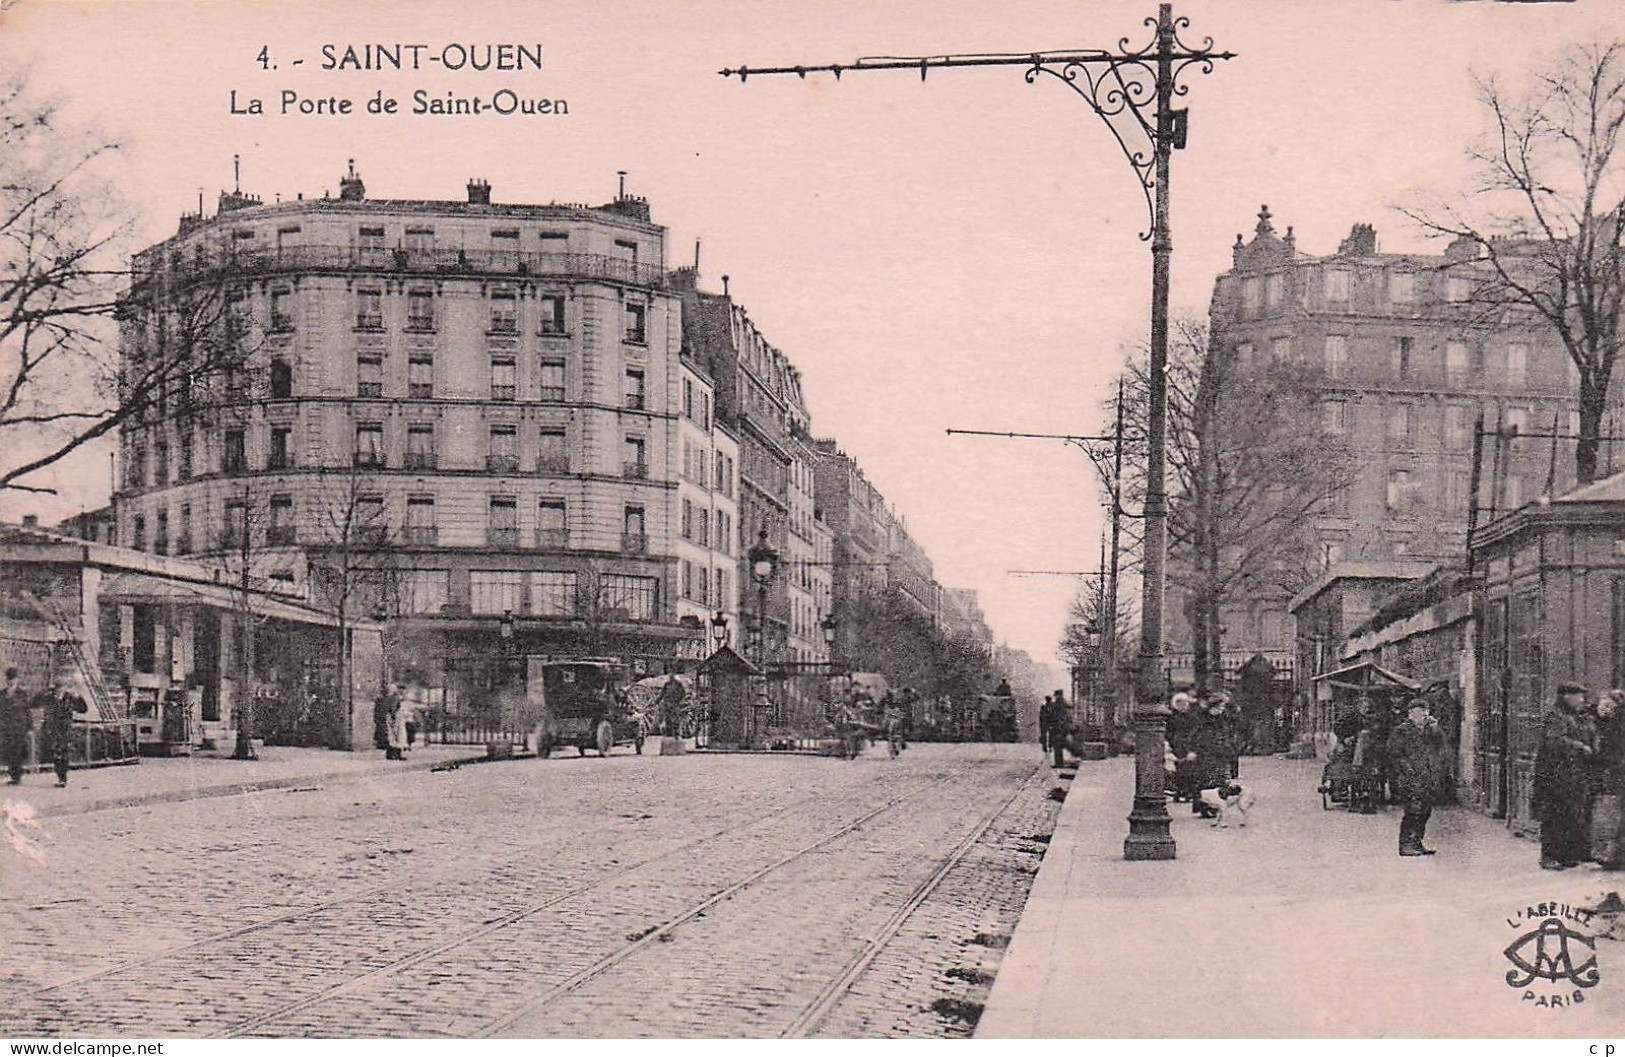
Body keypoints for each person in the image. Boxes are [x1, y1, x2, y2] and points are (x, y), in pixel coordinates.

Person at [1534, 682, 1596, 869]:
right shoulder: (1555, 716)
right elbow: (1556, 741)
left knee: (1570, 813)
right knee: (1554, 814)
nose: (1582, 700)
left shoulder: (1575, 716)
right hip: (1554, 774)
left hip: (1572, 774)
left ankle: (1566, 854)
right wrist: (1581, 747)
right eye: (1578, 696)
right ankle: (1549, 856)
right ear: (1566, 696)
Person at [1388, 698, 1447, 856]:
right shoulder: (1402, 730)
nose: (1422, 715)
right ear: (1410, 714)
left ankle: (1417, 842)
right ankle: (1406, 845)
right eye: (1418, 712)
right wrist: (1407, 769)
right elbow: (1394, 754)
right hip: (1409, 777)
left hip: (1427, 776)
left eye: (1424, 712)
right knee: (1413, 810)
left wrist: (1436, 729)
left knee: (1425, 811)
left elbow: (1442, 747)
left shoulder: (1430, 731)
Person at [1592, 690, 1625, 868]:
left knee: (1615, 816)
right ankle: (1611, 855)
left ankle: (1611, 855)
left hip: (1615, 772)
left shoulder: (1616, 722)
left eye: (1608, 705)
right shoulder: (1612, 720)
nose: (1604, 709)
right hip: (1614, 773)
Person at [42, 668, 86, 788]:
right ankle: (60, 776)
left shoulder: (70, 698)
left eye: (61, 687)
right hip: (54, 729)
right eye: (57, 688)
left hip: (66, 730)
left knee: (64, 754)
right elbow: (44, 710)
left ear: (64, 688)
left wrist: (80, 696)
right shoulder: (50, 698)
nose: (59, 690)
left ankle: (63, 778)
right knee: (56, 754)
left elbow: (83, 709)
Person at [1166, 692, 1200, 803]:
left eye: (1184, 703)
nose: (1183, 705)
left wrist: (1193, 748)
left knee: (1190, 768)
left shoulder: (1193, 717)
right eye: (1179, 703)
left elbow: (1196, 731)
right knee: (1179, 768)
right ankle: (1180, 790)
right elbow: (1169, 732)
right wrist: (1170, 745)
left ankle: (1188, 791)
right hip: (1177, 744)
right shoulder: (1172, 717)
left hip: (1189, 744)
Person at [1, 667, 33, 785]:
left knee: (18, 751)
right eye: (9, 679)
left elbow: (27, 711)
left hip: (19, 727)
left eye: (13, 679)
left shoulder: (22, 694)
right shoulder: (2, 694)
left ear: (17, 680)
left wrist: (30, 728)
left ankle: (16, 776)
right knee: (8, 751)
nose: (11, 681)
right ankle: (13, 775)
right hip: (6, 728)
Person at [1049, 691, 1072, 768]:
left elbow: (1059, 717)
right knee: (1058, 746)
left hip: (1059, 728)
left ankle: (1059, 763)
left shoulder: (1059, 704)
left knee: (1057, 746)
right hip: (1062, 728)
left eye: (1056, 696)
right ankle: (1059, 762)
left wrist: (1056, 726)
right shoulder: (1064, 703)